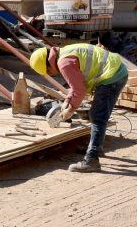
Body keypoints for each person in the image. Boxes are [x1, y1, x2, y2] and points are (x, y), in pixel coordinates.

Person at [30, 43, 128, 172]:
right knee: (98, 116)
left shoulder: (64, 64)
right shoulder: (65, 53)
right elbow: (76, 85)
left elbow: (80, 91)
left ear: (48, 65)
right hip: (116, 71)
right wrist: (67, 101)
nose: (52, 74)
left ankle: (91, 160)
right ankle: (95, 148)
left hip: (112, 77)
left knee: (98, 117)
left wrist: (70, 110)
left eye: (48, 71)